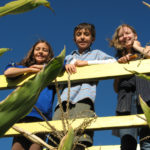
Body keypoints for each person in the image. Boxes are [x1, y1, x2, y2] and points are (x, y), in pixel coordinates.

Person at [50, 22, 116, 150]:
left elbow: (112, 62)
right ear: (74, 39)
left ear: (93, 39)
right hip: (63, 101)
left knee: (79, 137)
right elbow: (53, 68)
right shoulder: (69, 57)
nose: (82, 37)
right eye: (78, 34)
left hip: (84, 99)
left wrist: (87, 63)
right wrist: (64, 66)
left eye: (86, 34)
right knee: (56, 136)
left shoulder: (96, 53)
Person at [4, 40, 56, 150]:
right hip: (22, 115)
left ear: (49, 54)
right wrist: (30, 69)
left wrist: (43, 68)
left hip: (41, 118)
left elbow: (63, 64)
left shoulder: (52, 70)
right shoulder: (23, 69)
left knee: (35, 148)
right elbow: (8, 72)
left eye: (45, 50)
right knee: (17, 148)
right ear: (32, 52)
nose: (41, 52)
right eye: (38, 49)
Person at [109, 24, 150, 150]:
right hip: (126, 102)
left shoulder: (146, 49)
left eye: (127, 33)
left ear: (135, 36)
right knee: (127, 144)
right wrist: (120, 70)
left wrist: (136, 47)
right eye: (120, 36)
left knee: (147, 143)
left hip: (147, 98)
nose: (124, 37)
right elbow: (116, 88)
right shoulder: (118, 59)